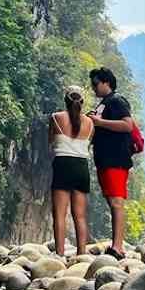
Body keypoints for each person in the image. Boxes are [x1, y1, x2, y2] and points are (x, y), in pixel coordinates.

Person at [88, 67, 134, 260]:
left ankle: (117, 246)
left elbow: (128, 125)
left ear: (107, 82)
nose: (94, 88)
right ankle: (116, 244)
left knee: (116, 202)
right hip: (105, 159)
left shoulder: (117, 101)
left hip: (116, 159)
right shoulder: (104, 103)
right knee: (112, 201)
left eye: (96, 84)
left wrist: (100, 122)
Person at [49, 85, 93, 256]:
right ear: (82, 101)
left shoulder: (55, 117)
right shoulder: (90, 123)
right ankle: (81, 254)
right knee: (80, 215)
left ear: (65, 100)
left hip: (62, 164)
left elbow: (50, 142)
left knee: (59, 214)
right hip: (82, 167)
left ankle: (60, 254)